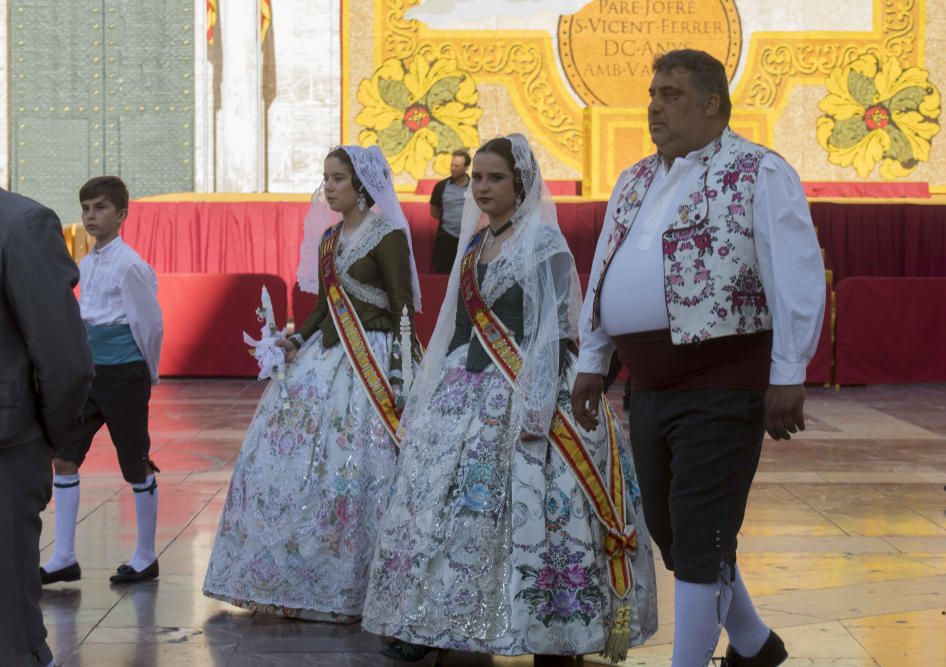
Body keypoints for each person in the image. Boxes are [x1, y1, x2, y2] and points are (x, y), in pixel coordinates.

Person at [571, 50, 826, 667]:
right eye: (652, 93)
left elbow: (795, 272)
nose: (654, 105)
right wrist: (593, 357)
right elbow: (606, 269)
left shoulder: (758, 171)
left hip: (724, 379)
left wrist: (788, 372)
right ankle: (755, 645)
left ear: (712, 104)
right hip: (649, 385)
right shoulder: (633, 179)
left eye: (672, 94)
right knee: (671, 530)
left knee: (699, 527)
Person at [363, 134, 657, 666]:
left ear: (521, 183)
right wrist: (431, 394)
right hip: (466, 389)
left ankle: (554, 628)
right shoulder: (474, 245)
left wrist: (538, 404)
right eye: (476, 178)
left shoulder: (543, 244)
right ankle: (434, 619)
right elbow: (457, 326)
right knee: (443, 507)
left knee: (536, 513)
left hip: (528, 389)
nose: (482, 187)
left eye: (495, 178)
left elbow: (554, 332)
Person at [203, 145, 421, 622]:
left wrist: (403, 374)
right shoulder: (328, 239)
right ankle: (298, 580)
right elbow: (325, 306)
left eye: (338, 178)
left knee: (358, 466)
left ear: (362, 187)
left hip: (374, 358)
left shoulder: (386, 237)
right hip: (326, 356)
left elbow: (403, 306)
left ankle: (361, 585)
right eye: (326, 177)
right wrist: (295, 339)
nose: (329, 186)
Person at [41, 176, 164, 586]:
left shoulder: (131, 266)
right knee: (64, 455)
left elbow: (149, 324)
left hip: (123, 375)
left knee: (134, 462)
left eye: (100, 208)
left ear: (122, 214)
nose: (91, 216)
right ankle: (63, 556)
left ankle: (146, 557)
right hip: (89, 375)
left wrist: (148, 371)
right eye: (86, 209)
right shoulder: (87, 263)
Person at [0, 188, 93, 666]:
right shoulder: (22, 222)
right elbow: (66, 361)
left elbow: (61, 358)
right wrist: (56, 434)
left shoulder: (20, 226)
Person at [429, 149, 471, 273]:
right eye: (452, 165)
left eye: (457, 166)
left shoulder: (475, 186)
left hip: (468, 239)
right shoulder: (441, 186)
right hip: (446, 238)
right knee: (442, 274)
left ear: (466, 167)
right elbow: (434, 211)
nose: (452, 168)